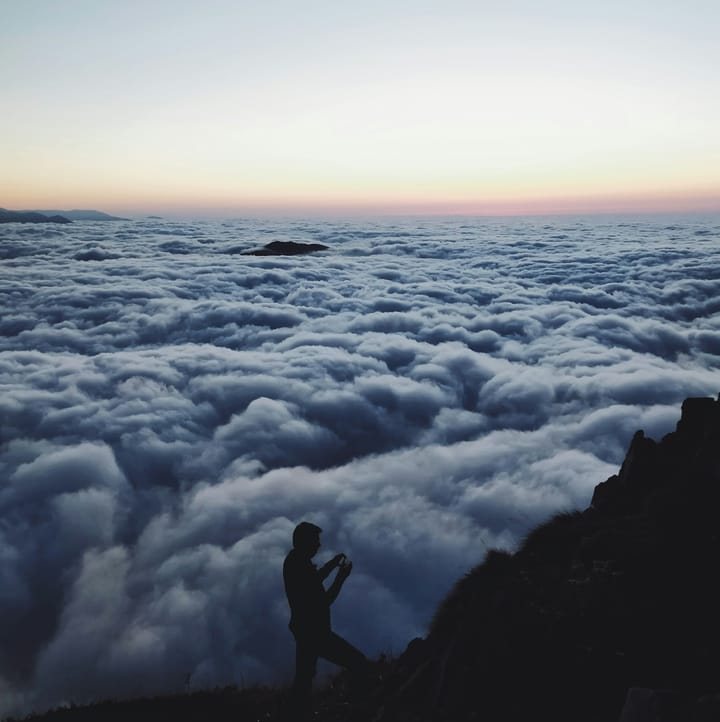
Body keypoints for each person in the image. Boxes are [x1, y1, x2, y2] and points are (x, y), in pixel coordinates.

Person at [283, 521, 367, 719]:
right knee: (358, 663)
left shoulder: (295, 561)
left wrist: (331, 564)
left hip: (304, 630)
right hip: (316, 633)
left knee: (303, 679)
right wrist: (341, 577)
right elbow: (324, 600)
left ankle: (296, 714)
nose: (319, 545)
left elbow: (312, 580)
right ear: (305, 542)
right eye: (315, 541)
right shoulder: (300, 565)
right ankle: (356, 710)